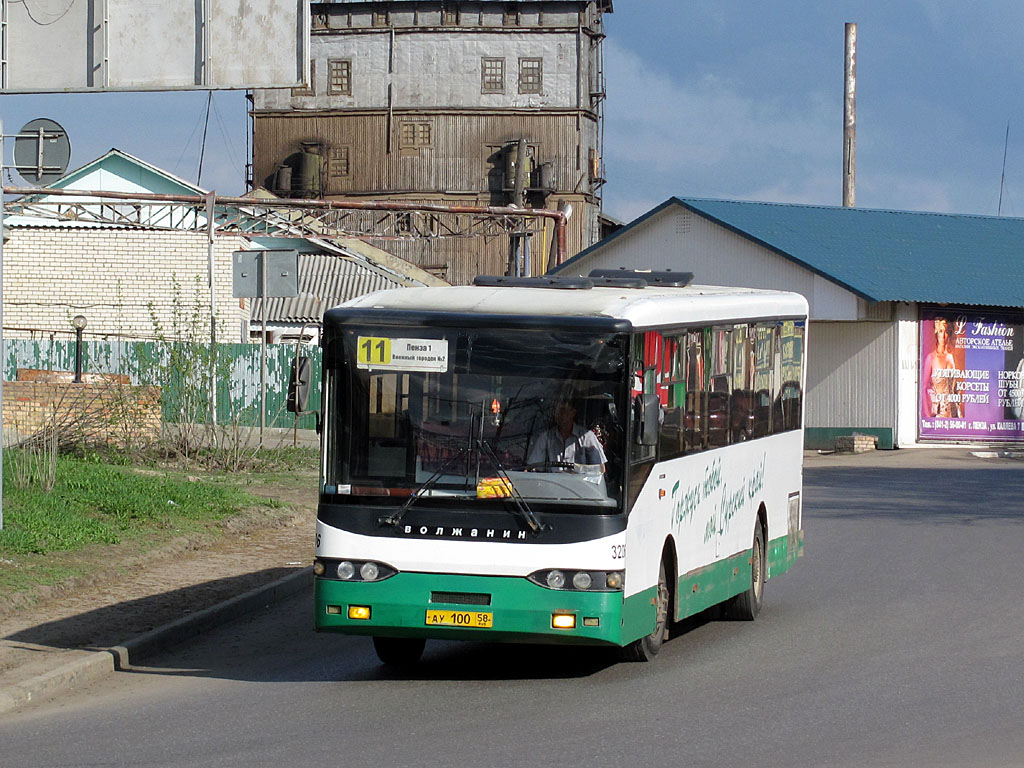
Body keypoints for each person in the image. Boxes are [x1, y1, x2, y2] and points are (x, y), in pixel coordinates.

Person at [526, 399, 607, 471]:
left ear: (573, 413)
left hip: (580, 486)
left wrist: (577, 473)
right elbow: (533, 467)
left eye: (563, 410)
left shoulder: (587, 437)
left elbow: (600, 470)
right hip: (551, 485)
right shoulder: (546, 437)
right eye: (556, 411)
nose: (558, 414)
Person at [921, 317, 960, 418]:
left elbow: (955, 388)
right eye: (941, 331)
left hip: (954, 412)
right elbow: (924, 387)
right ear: (936, 332)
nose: (943, 336)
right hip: (939, 413)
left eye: (946, 332)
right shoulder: (931, 358)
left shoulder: (950, 357)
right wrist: (928, 415)